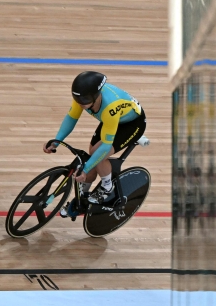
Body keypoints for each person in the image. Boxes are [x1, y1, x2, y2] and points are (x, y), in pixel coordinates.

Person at [45, 71, 146, 217]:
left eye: (85, 100)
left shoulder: (110, 107)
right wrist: (56, 141)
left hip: (131, 124)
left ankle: (107, 187)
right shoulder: (82, 97)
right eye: (78, 99)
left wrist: (85, 170)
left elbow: (105, 147)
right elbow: (71, 118)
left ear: (96, 95)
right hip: (111, 120)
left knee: (99, 155)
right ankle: (82, 200)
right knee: (92, 156)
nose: (81, 104)